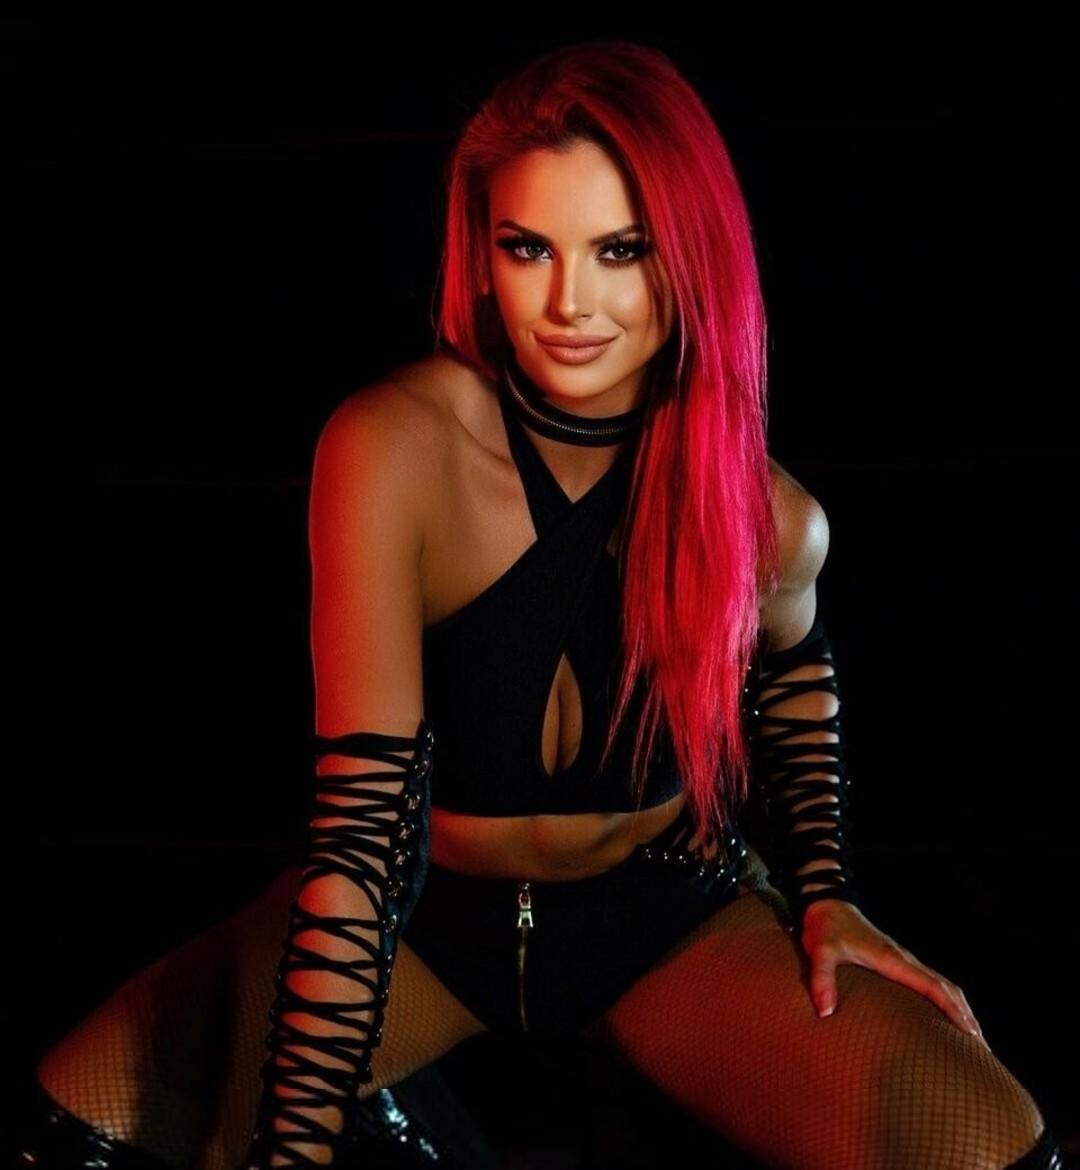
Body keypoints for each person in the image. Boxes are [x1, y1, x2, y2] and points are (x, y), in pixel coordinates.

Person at [20, 39, 1070, 1170]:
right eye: (529, 248)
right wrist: (298, 1141)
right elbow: (361, 841)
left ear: (691, 260)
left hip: (665, 917)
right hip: (421, 922)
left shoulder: (767, 514)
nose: (571, 303)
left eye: (620, 250)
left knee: (989, 1146)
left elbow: (797, 675)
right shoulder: (394, 451)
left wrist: (825, 890)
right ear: (482, 256)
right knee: (75, 1138)